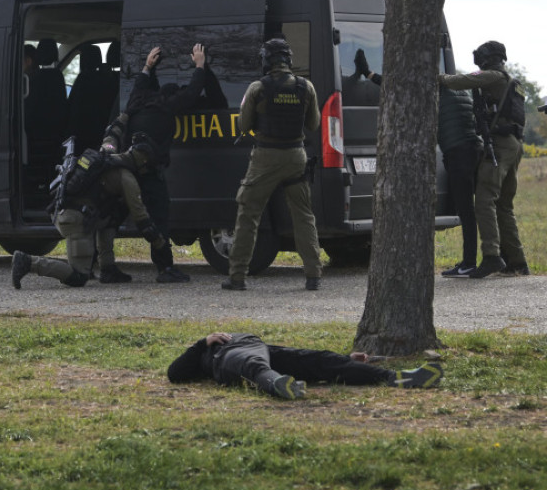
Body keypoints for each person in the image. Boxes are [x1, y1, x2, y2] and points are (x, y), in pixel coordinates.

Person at [354, 49, 482, 277]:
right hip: (473, 151)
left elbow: (396, 89)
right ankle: (476, 259)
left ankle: (469, 262)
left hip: (458, 155)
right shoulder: (457, 86)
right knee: (472, 209)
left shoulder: (430, 87)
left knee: (466, 210)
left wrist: (369, 74)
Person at [222, 38, 322, 291]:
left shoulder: (258, 88)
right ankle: (313, 276)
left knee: (248, 215)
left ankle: (237, 277)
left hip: (266, 157)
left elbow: (243, 127)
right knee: (303, 217)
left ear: (267, 60)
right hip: (296, 157)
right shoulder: (305, 87)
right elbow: (313, 125)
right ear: (288, 59)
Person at [11, 133, 173, 288]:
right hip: (74, 220)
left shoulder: (108, 153)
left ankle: (107, 269)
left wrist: (123, 117)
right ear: (144, 161)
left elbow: (110, 136)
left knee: (110, 216)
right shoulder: (127, 178)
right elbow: (142, 219)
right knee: (78, 276)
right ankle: (28, 262)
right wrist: (161, 244)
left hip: (67, 211)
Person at [125, 42, 225, 283]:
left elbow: (140, 85)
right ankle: (165, 269)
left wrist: (148, 67)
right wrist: (200, 66)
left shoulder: (137, 102)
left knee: (115, 213)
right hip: (150, 171)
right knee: (159, 217)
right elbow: (192, 93)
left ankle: (104, 265)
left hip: (128, 169)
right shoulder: (168, 105)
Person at [438, 41, 527, 278]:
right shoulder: (510, 81)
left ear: (487, 59)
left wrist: (435, 75)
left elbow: (456, 82)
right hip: (515, 145)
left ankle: (491, 256)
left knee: (484, 201)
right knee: (504, 206)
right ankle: (517, 261)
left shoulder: (492, 77)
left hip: (499, 145)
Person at [166, 332, 443, 400]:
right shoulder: (208, 354)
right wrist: (204, 342)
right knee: (254, 365)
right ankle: (279, 385)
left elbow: (295, 355)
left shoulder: (245, 340)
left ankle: (396, 378)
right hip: (232, 357)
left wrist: (345, 358)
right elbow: (174, 373)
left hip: (264, 347)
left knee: (320, 360)